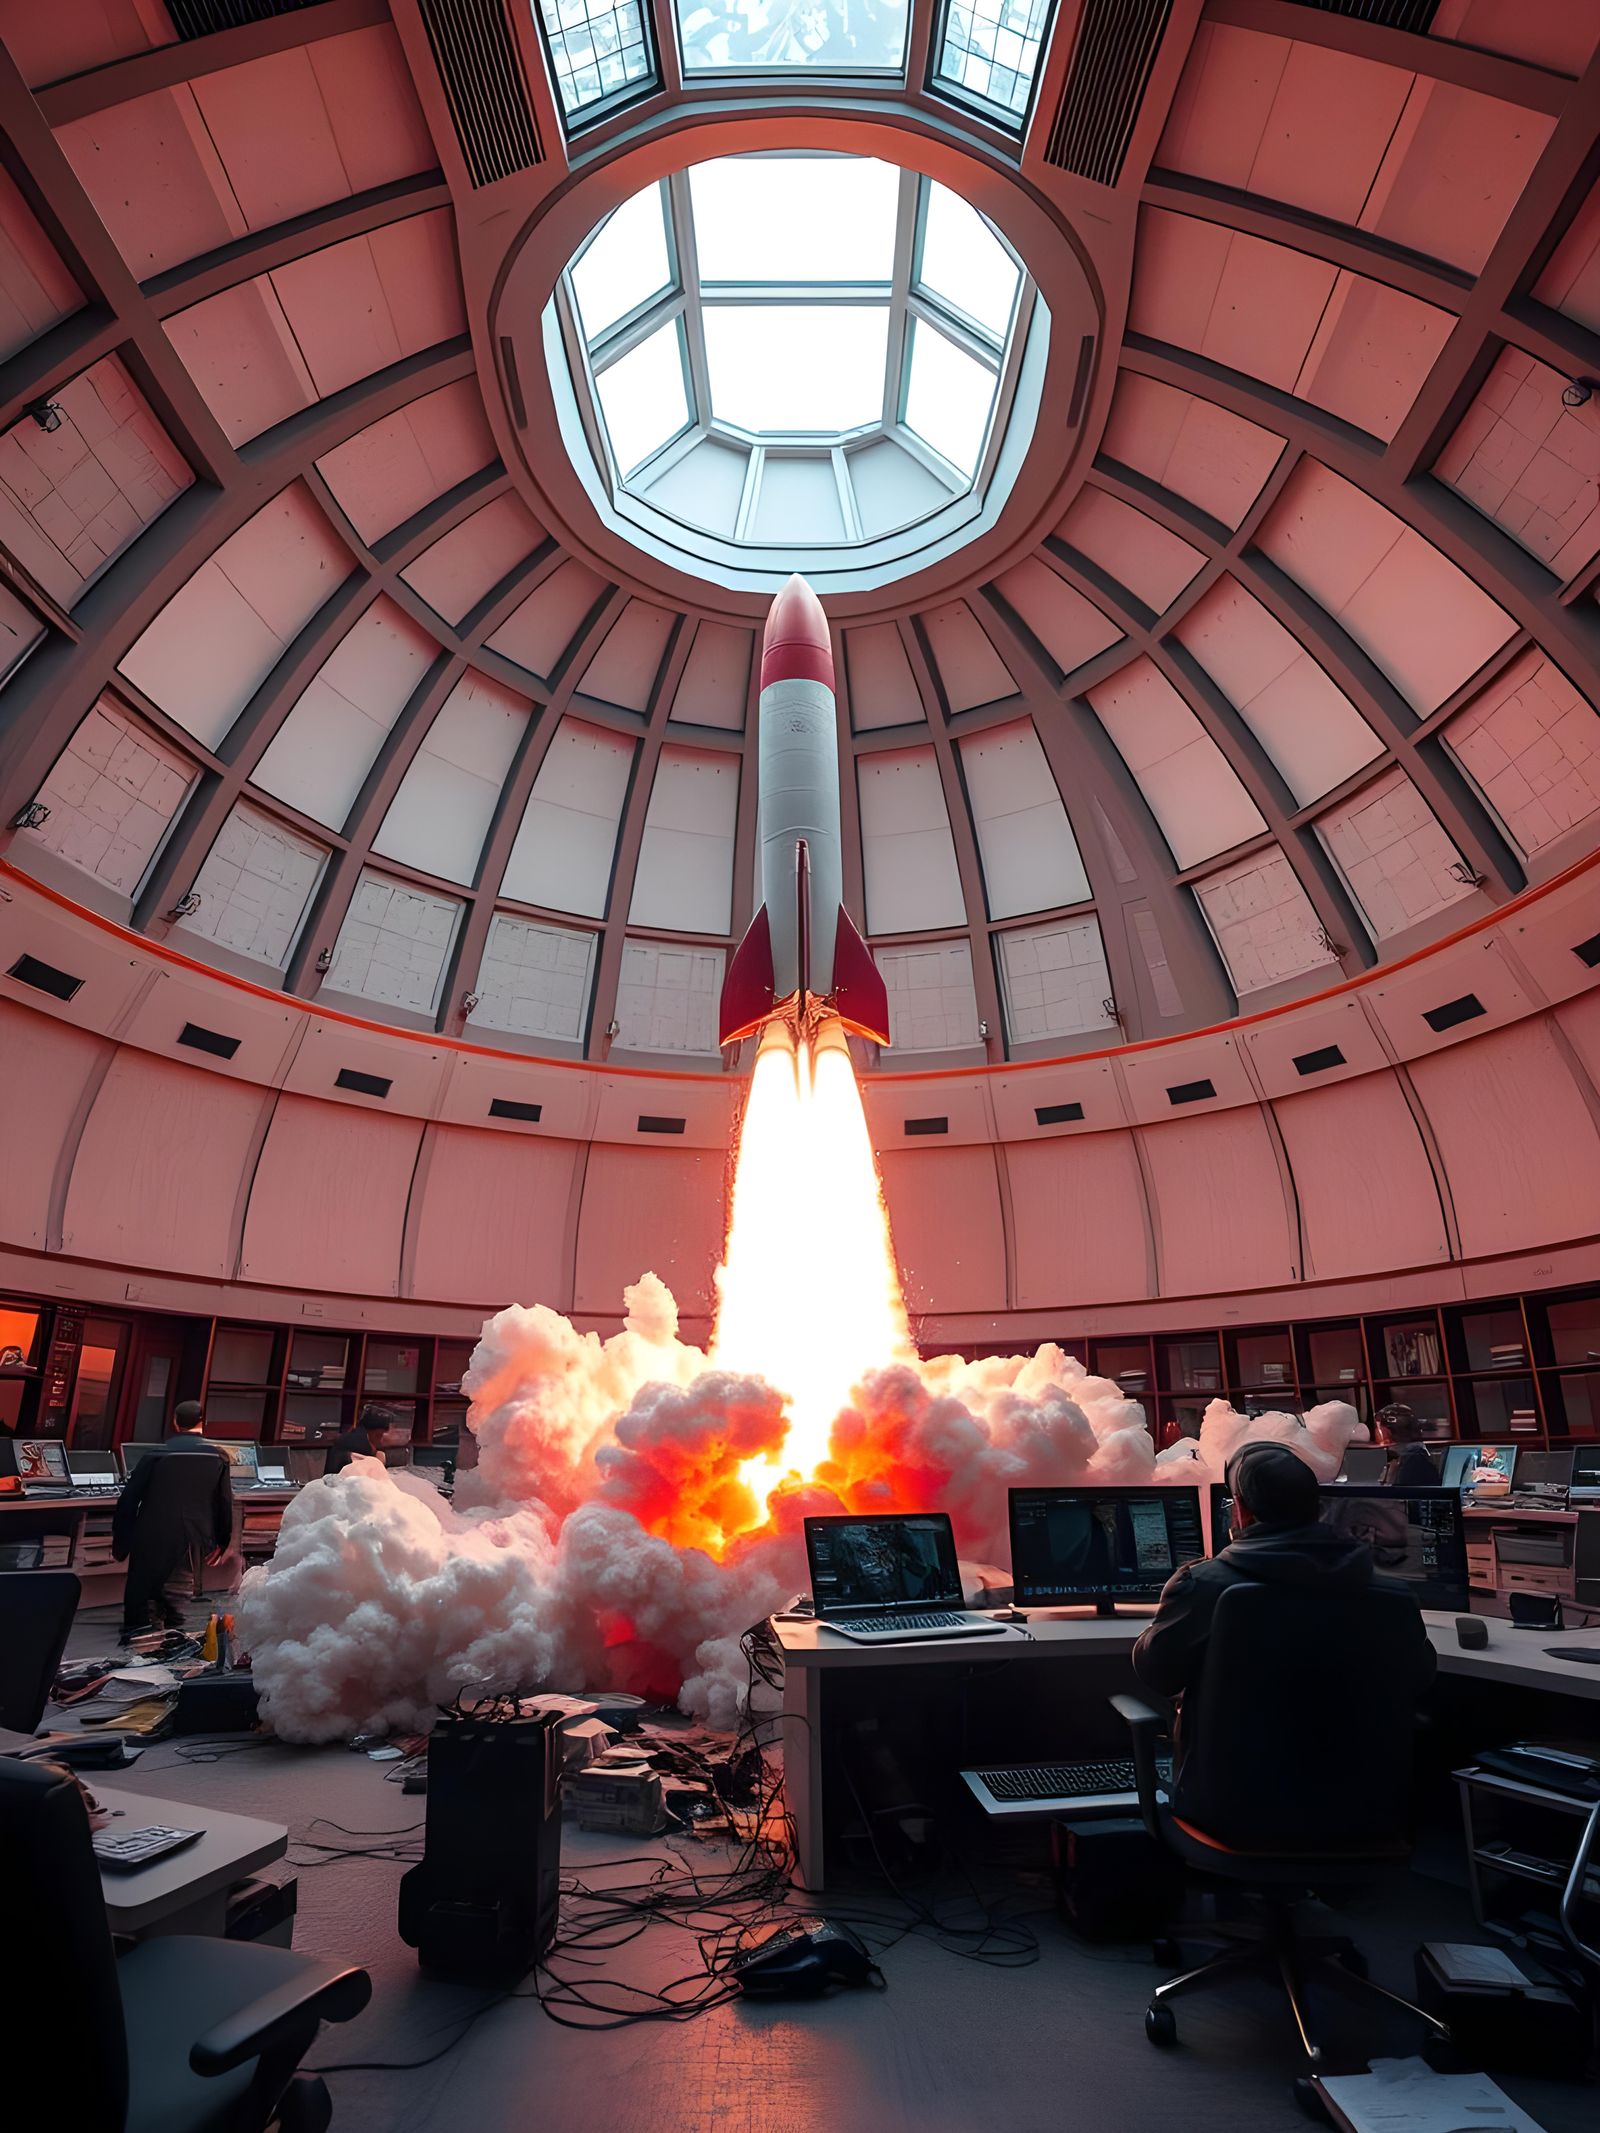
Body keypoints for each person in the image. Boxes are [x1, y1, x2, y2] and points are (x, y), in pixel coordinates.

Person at [1132, 1442, 1435, 1776]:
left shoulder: (1204, 1586)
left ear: (1240, 1511)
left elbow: (1157, 1673)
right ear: (1318, 1508)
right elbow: (1419, 1677)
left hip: (1236, 1798)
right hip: (1362, 1797)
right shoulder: (1390, 1596)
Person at [112, 1401, 233, 1643]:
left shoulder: (157, 1454)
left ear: (175, 1421)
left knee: (143, 1590)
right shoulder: (218, 1456)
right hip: (196, 1534)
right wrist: (222, 1540)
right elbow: (223, 1501)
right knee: (181, 1592)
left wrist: (122, 1542)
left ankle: (139, 1637)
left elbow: (129, 1499)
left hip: (154, 1531)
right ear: (202, 1422)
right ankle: (177, 1639)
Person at [1375, 1402, 1439, 1489]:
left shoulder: (1414, 1457)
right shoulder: (1400, 1456)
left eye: (1380, 1429)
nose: (1377, 1434)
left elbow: (1398, 1493)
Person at [325, 1406, 391, 1475]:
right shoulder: (358, 1443)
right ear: (378, 1433)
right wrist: (378, 1460)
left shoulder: (363, 1435)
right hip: (340, 1479)